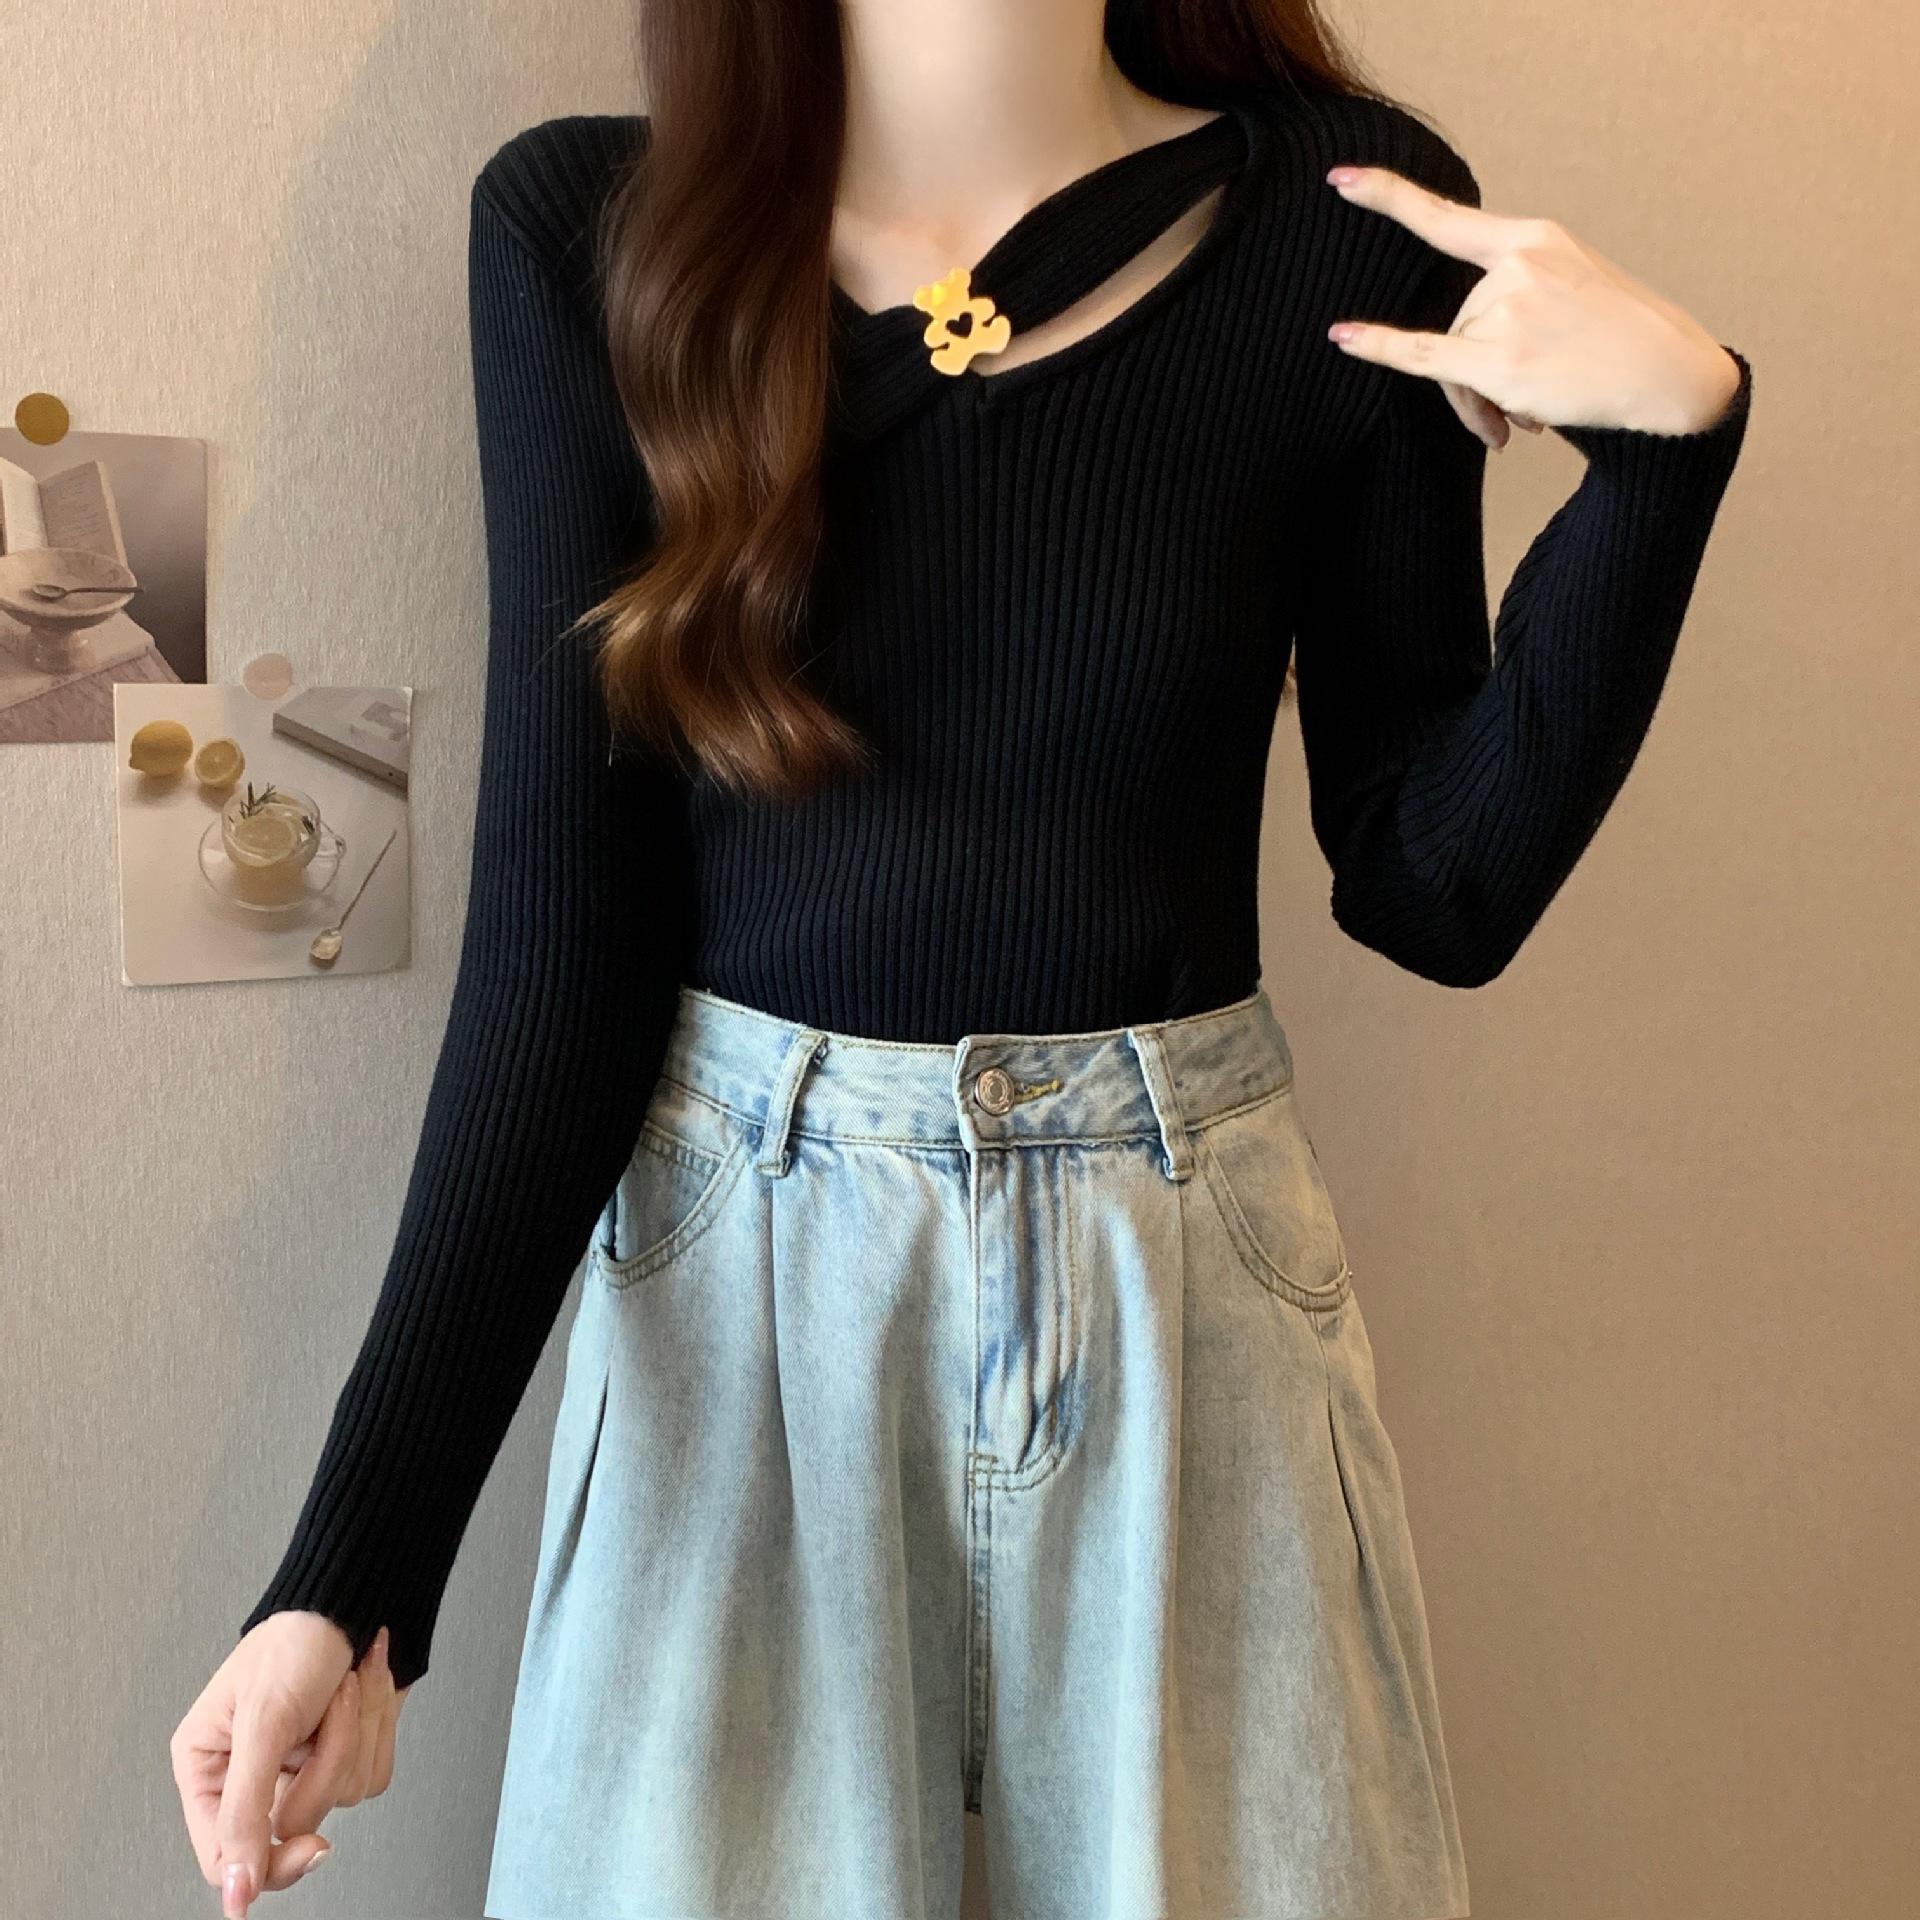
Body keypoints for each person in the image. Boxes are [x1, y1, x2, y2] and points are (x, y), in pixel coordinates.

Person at [170, 1, 1752, 1914]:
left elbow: (1437, 887)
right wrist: (350, 1576)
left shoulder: (1350, 227)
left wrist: (1663, 458)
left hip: (1185, 1289)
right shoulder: (596, 241)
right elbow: (562, 968)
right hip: (742, 1304)